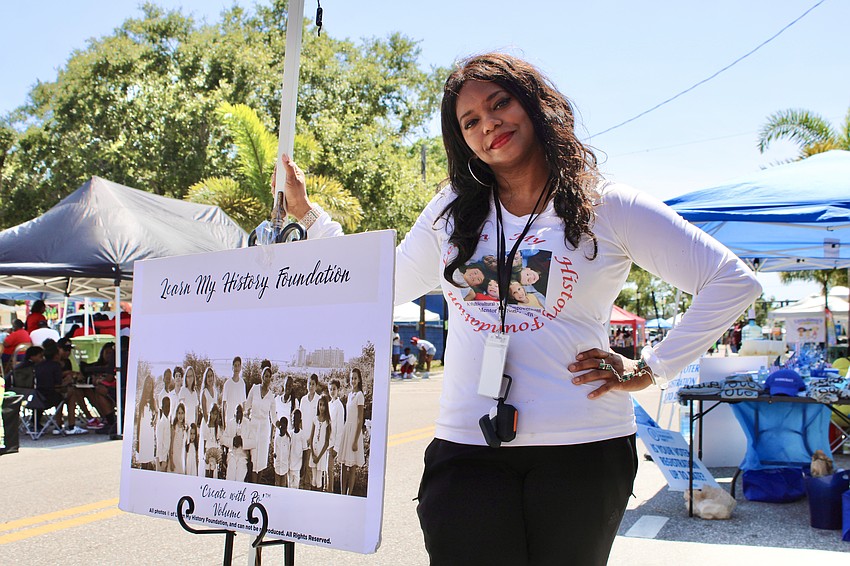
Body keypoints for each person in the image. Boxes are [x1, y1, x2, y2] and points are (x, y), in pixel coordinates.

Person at [274, 52, 761, 564]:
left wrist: (652, 368)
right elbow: (378, 283)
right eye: (471, 121)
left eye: (499, 104)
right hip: (467, 449)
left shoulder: (607, 205)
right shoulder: (449, 213)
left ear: (533, 104)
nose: (489, 125)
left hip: (581, 449)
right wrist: (309, 217)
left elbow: (731, 281)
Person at [245, 366, 275, 483]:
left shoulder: (271, 396)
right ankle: (252, 484)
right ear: (262, 377)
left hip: (264, 429)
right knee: (253, 458)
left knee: (261, 460)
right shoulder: (254, 389)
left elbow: (273, 416)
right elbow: (247, 406)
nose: (267, 378)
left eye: (269, 376)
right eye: (265, 376)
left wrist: (280, 426)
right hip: (253, 426)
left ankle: (258, 485)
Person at [339, 368, 366, 496]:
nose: (353, 381)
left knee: (352, 466)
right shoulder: (350, 395)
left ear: (359, 379)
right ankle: (342, 493)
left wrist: (355, 441)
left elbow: (360, 419)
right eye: (351, 378)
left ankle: (349, 493)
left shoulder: (360, 395)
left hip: (354, 431)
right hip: (347, 430)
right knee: (343, 465)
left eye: (355, 378)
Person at [309, 395, 332, 491]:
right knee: (313, 479)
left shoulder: (327, 422)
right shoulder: (315, 419)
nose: (321, 407)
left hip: (321, 454)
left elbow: (326, 442)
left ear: (326, 407)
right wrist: (313, 454)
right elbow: (311, 438)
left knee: (319, 480)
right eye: (320, 405)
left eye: (323, 405)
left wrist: (318, 457)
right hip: (314, 452)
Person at [327, 378, 345, 493]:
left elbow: (340, 429)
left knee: (330, 470)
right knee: (325, 470)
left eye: (334, 389)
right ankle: (325, 491)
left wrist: (336, 448)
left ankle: (330, 492)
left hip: (333, 444)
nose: (332, 391)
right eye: (330, 389)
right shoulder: (329, 404)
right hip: (326, 442)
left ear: (338, 390)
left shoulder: (339, 406)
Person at [134, 375, 157, 468]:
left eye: (151, 383)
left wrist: (154, 420)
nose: (149, 385)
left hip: (149, 431)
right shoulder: (141, 402)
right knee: (143, 457)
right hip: (142, 432)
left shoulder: (153, 400)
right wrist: (138, 438)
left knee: (149, 456)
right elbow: (138, 421)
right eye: (147, 383)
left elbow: (157, 413)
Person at [288, 409, 308, 489]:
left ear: (300, 421)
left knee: (295, 487)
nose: (294, 422)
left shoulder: (302, 434)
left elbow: (305, 452)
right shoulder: (290, 433)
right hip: (289, 466)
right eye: (293, 420)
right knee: (289, 486)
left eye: (296, 420)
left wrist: (303, 467)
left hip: (297, 467)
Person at [155, 395, 172, 472]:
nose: (167, 409)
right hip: (162, 458)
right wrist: (162, 460)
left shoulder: (167, 421)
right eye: (166, 406)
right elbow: (159, 442)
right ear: (162, 407)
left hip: (166, 456)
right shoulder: (161, 422)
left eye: (169, 406)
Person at [273, 416, 291, 487]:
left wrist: (287, 465)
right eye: (280, 427)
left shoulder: (288, 439)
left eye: (283, 428)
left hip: (284, 468)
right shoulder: (277, 439)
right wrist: (275, 464)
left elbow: (288, 453)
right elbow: (275, 453)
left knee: (283, 486)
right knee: (277, 485)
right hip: (277, 467)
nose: (282, 430)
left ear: (286, 428)